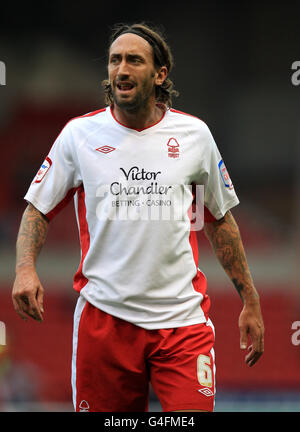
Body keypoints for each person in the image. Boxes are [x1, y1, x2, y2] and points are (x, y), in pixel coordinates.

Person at [12, 22, 264, 412]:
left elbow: (220, 220)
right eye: (115, 61)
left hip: (182, 323)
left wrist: (250, 298)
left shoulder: (194, 136)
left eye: (134, 60)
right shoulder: (79, 135)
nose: (121, 70)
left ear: (159, 74)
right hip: (104, 323)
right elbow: (37, 210)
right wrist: (25, 268)